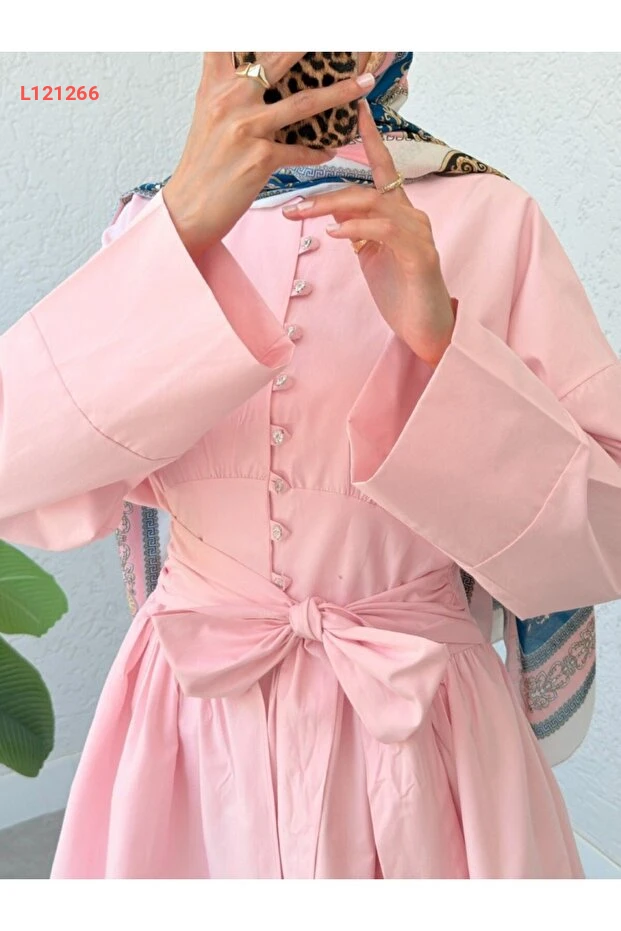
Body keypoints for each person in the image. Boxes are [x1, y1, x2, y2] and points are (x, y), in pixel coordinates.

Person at [1, 51, 620, 879]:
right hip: (186, 732)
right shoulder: (151, 221)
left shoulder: (492, 215)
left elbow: (602, 536)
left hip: (419, 734)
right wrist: (177, 234)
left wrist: (442, 346)